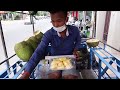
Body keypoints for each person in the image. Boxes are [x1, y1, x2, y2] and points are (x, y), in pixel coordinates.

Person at [19, 11, 81, 79]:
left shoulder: (74, 30)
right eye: (53, 21)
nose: (55, 24)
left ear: (66, 19)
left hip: (69, 60)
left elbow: (78, 40)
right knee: (54, 76)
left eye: (59, 21)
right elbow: (39, 51)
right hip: (54, 61)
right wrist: (27, 72)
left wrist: (75, 50)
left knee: (69, 77)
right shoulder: (48, 34)